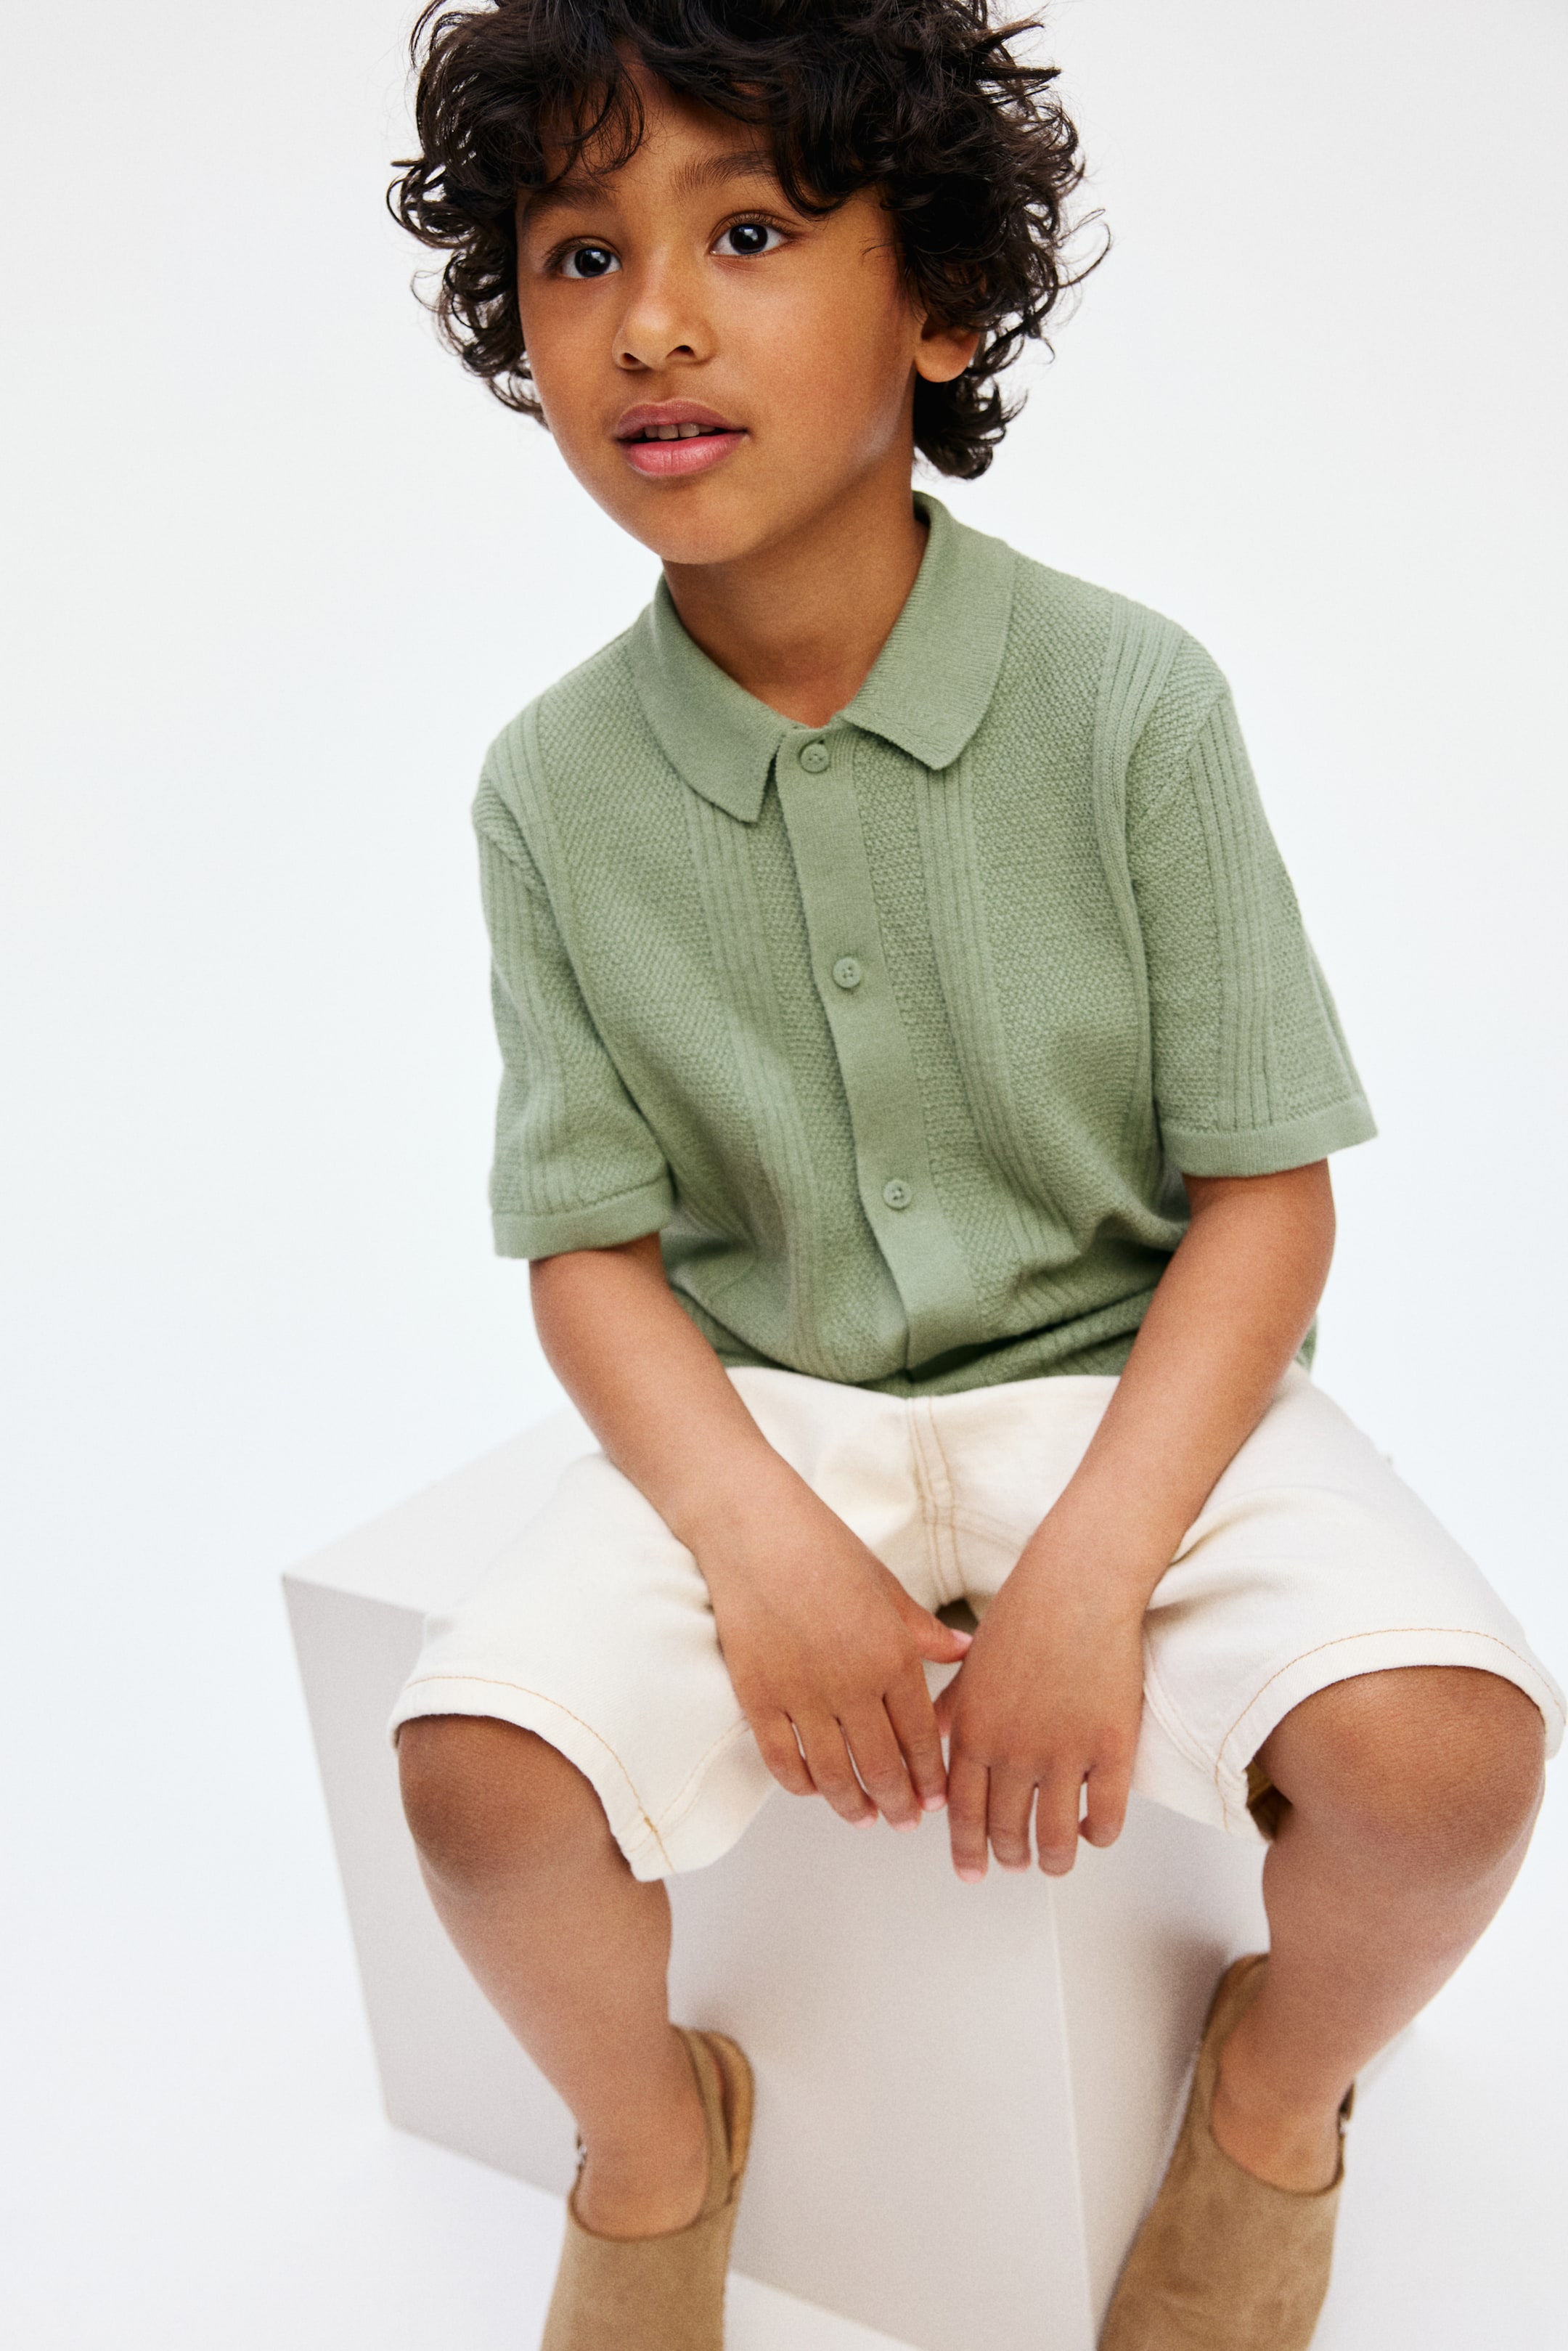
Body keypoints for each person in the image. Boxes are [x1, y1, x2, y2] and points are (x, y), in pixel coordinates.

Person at [385, 5, 1562, 2345]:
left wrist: (1099, 1567)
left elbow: (1268, 1198)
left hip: (1143, 1392)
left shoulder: (1131, 703)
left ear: (938, 304)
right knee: (471, 1787)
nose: (654, 322)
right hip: (766, 1409)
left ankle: (1273, 2107)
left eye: (745, 233)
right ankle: (652, 2149)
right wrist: (756, 1542)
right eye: (580, 255)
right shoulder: (549, 788)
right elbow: (590, 1249)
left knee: (1456, 1767)